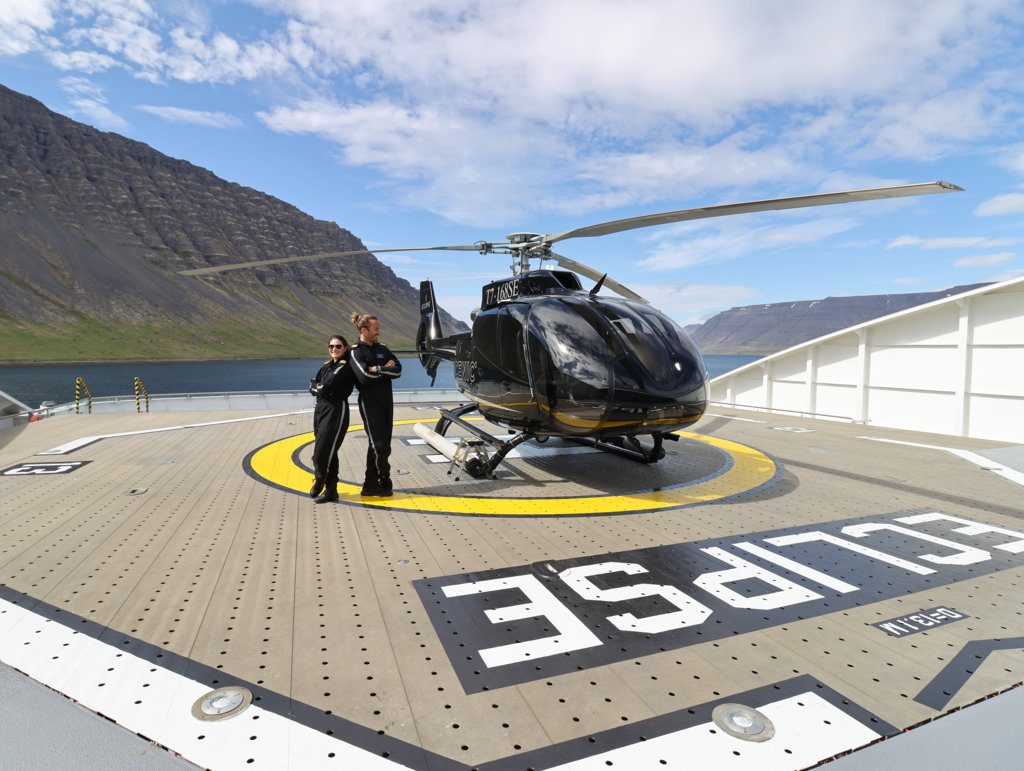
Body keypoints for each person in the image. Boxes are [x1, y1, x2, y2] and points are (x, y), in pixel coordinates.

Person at [348, 313, 402, 496]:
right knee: (380, 445)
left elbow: (399, 370)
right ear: (364, 330)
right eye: (376, 329)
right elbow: (364, 377)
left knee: (380, 444)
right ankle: (385, 479)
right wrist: (386, 369)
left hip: (387, 402)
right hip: (370, 404)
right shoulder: (355, 352)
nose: (379, 332)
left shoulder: (383, 348)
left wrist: (378, 368)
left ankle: (369, 485)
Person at [308, 335, 356, 504]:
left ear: (345, 348)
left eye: (338, 346)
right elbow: (313, 385)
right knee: (330, 452)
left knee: (321, 453)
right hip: (320, 409)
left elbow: (325, 387)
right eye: (331, 346)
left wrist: (319, 388)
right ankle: (331, 491)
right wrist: (318, 388)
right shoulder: (326, 366)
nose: (334, 349)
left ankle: (319, 480)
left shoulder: (345, 367)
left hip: (336, 410)